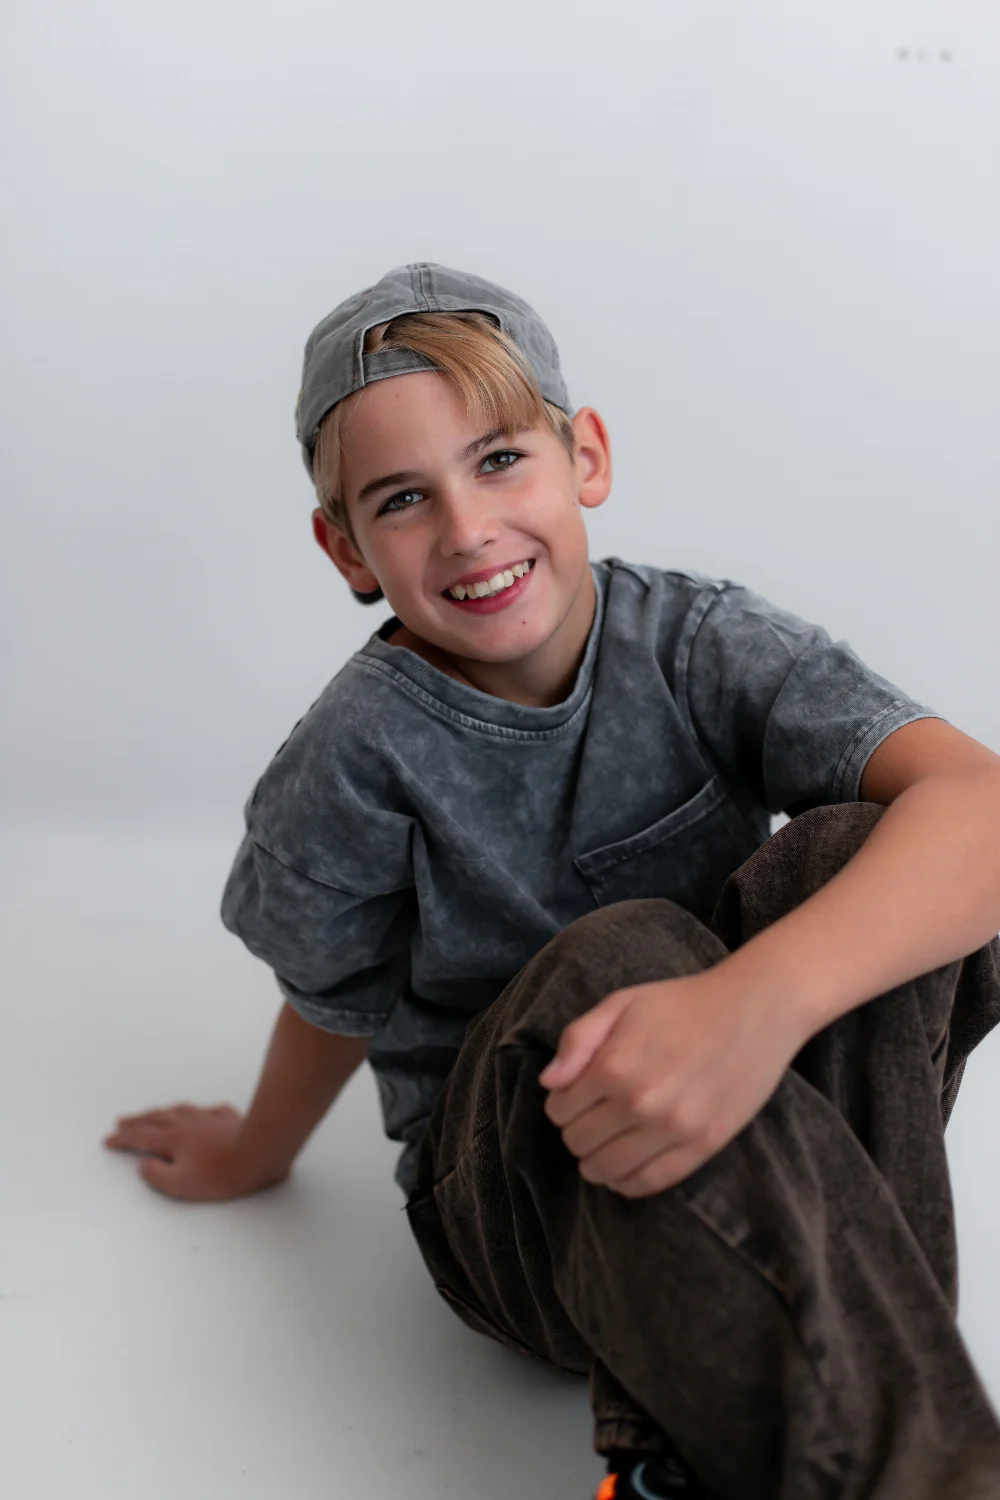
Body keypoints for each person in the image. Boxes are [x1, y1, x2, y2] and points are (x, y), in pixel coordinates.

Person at [104, 263, 1000, 1499]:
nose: (467, 528)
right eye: (402, 499)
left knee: (864, 844)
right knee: (621, 952)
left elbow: (980, 808)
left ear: (585, 457)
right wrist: (260, 1150)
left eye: (499, 461)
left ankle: (700, 1460)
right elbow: (334, 997)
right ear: (346, 549)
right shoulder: (353, 757)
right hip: (530, 1213)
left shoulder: (699, 643)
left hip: (773, 1147)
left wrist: (754, 1006)